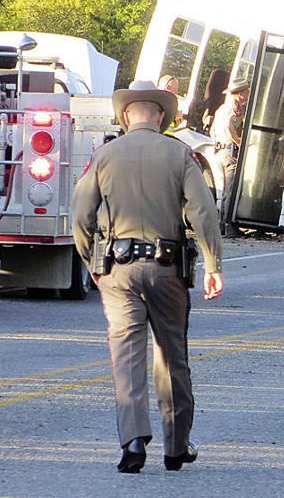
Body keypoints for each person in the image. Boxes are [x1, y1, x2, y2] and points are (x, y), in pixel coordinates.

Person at [72, 79, 224, 474]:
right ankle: (176, 446)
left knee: (126, 354)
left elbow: (81, 215)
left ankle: (133, 441)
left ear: (125, 116)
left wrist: (91, 259)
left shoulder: (104, 156)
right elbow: (203, 213)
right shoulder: (180, 155)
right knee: (171, 355)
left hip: (117, 272)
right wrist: (213, 265)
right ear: (160, 116)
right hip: (167, 269)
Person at [210, 75, 250, 236]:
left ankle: (221, 225)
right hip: (229, 151)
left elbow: (213, 129)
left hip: (220, 151)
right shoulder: (235, 108)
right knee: (231, 190)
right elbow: (229, 126)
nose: (248, 94)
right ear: (240, 94)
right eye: (247, 91)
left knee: (227, 188)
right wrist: (240, 143)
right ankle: (229, 226)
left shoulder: (221, 108)